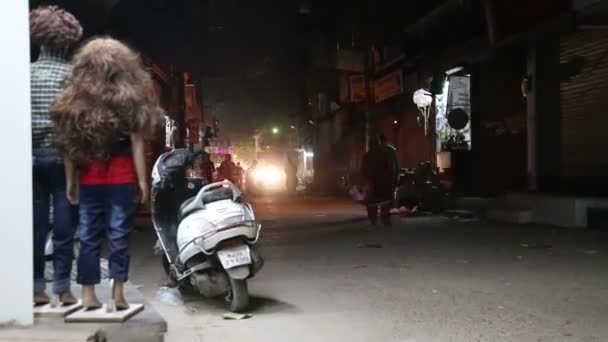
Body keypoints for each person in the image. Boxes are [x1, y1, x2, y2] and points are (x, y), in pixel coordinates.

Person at [52, 37, 162, 310]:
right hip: (122, 176)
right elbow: (137, 142)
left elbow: (70, 144)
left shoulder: (77, 98)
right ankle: (118, 293)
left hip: (89, 176)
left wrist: (69, 180)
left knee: (89, 235)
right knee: (119, 236)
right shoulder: (131, 98)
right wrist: (141, 180)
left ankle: (88, 294)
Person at [30, 5, 82, 306]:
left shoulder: (24, 75)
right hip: (65, 161)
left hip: (29, 160)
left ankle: (36, 287)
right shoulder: (73, 78)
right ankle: (62, 287)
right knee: (64, 226)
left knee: (34, 227)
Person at [361, 135, 399, 226]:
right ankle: (385, 219)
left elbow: (363, 170)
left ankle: (374, 219)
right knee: (385, 201)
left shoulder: (368, 155)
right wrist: (393, 178)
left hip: (373, 182)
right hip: (383, 181)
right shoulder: (386, 153)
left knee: (373, 202)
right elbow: (391, 167)